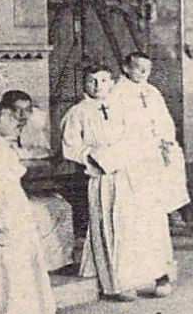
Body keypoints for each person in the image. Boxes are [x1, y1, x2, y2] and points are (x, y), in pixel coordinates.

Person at [60, 65, 173, 301]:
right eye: (92, 81)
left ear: (112, 82)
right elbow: (70, 147)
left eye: (103, 80)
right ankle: (120, 282)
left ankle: (157, 275)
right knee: (113, 226)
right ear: (84, 84)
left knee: (143, 222)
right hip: (104, 178)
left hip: (133, 171)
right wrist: (92, 156)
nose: (98, 86)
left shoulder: (126, 108)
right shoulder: (77, 113)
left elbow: (141, 135)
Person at [0, 99, 57, 314]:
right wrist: (2, 218)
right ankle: (11, 309)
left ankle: (4, 308)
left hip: (8, 208)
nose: (16, 120)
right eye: (8, 117)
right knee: (10, 262)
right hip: (4, 211)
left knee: (5, 264)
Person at [110, 52, 191, 224]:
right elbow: (116, 123)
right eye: (139, 69)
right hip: (132, 145)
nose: (144, 72)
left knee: (172, 160)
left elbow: (164, 118)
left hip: (155, 143)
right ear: (126, 68)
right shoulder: (117, 92)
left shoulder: (151, 91)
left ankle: (169, 209)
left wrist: (166, 140)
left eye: (147, 69)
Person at [2, 91, 74, 272]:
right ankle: (36, 264)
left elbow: (43, 152)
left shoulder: (32, 129)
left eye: (27, 110)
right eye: (16, 111)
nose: (22, 116)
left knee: (60, 205)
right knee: (39, 210)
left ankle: (59, 261)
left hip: (27, 187)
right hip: (3, 195)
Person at [3, 90, 50, 159]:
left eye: (28, 109)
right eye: (16, 110)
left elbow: (47, 151)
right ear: (5, 111)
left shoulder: (39, 121)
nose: (23, 114)